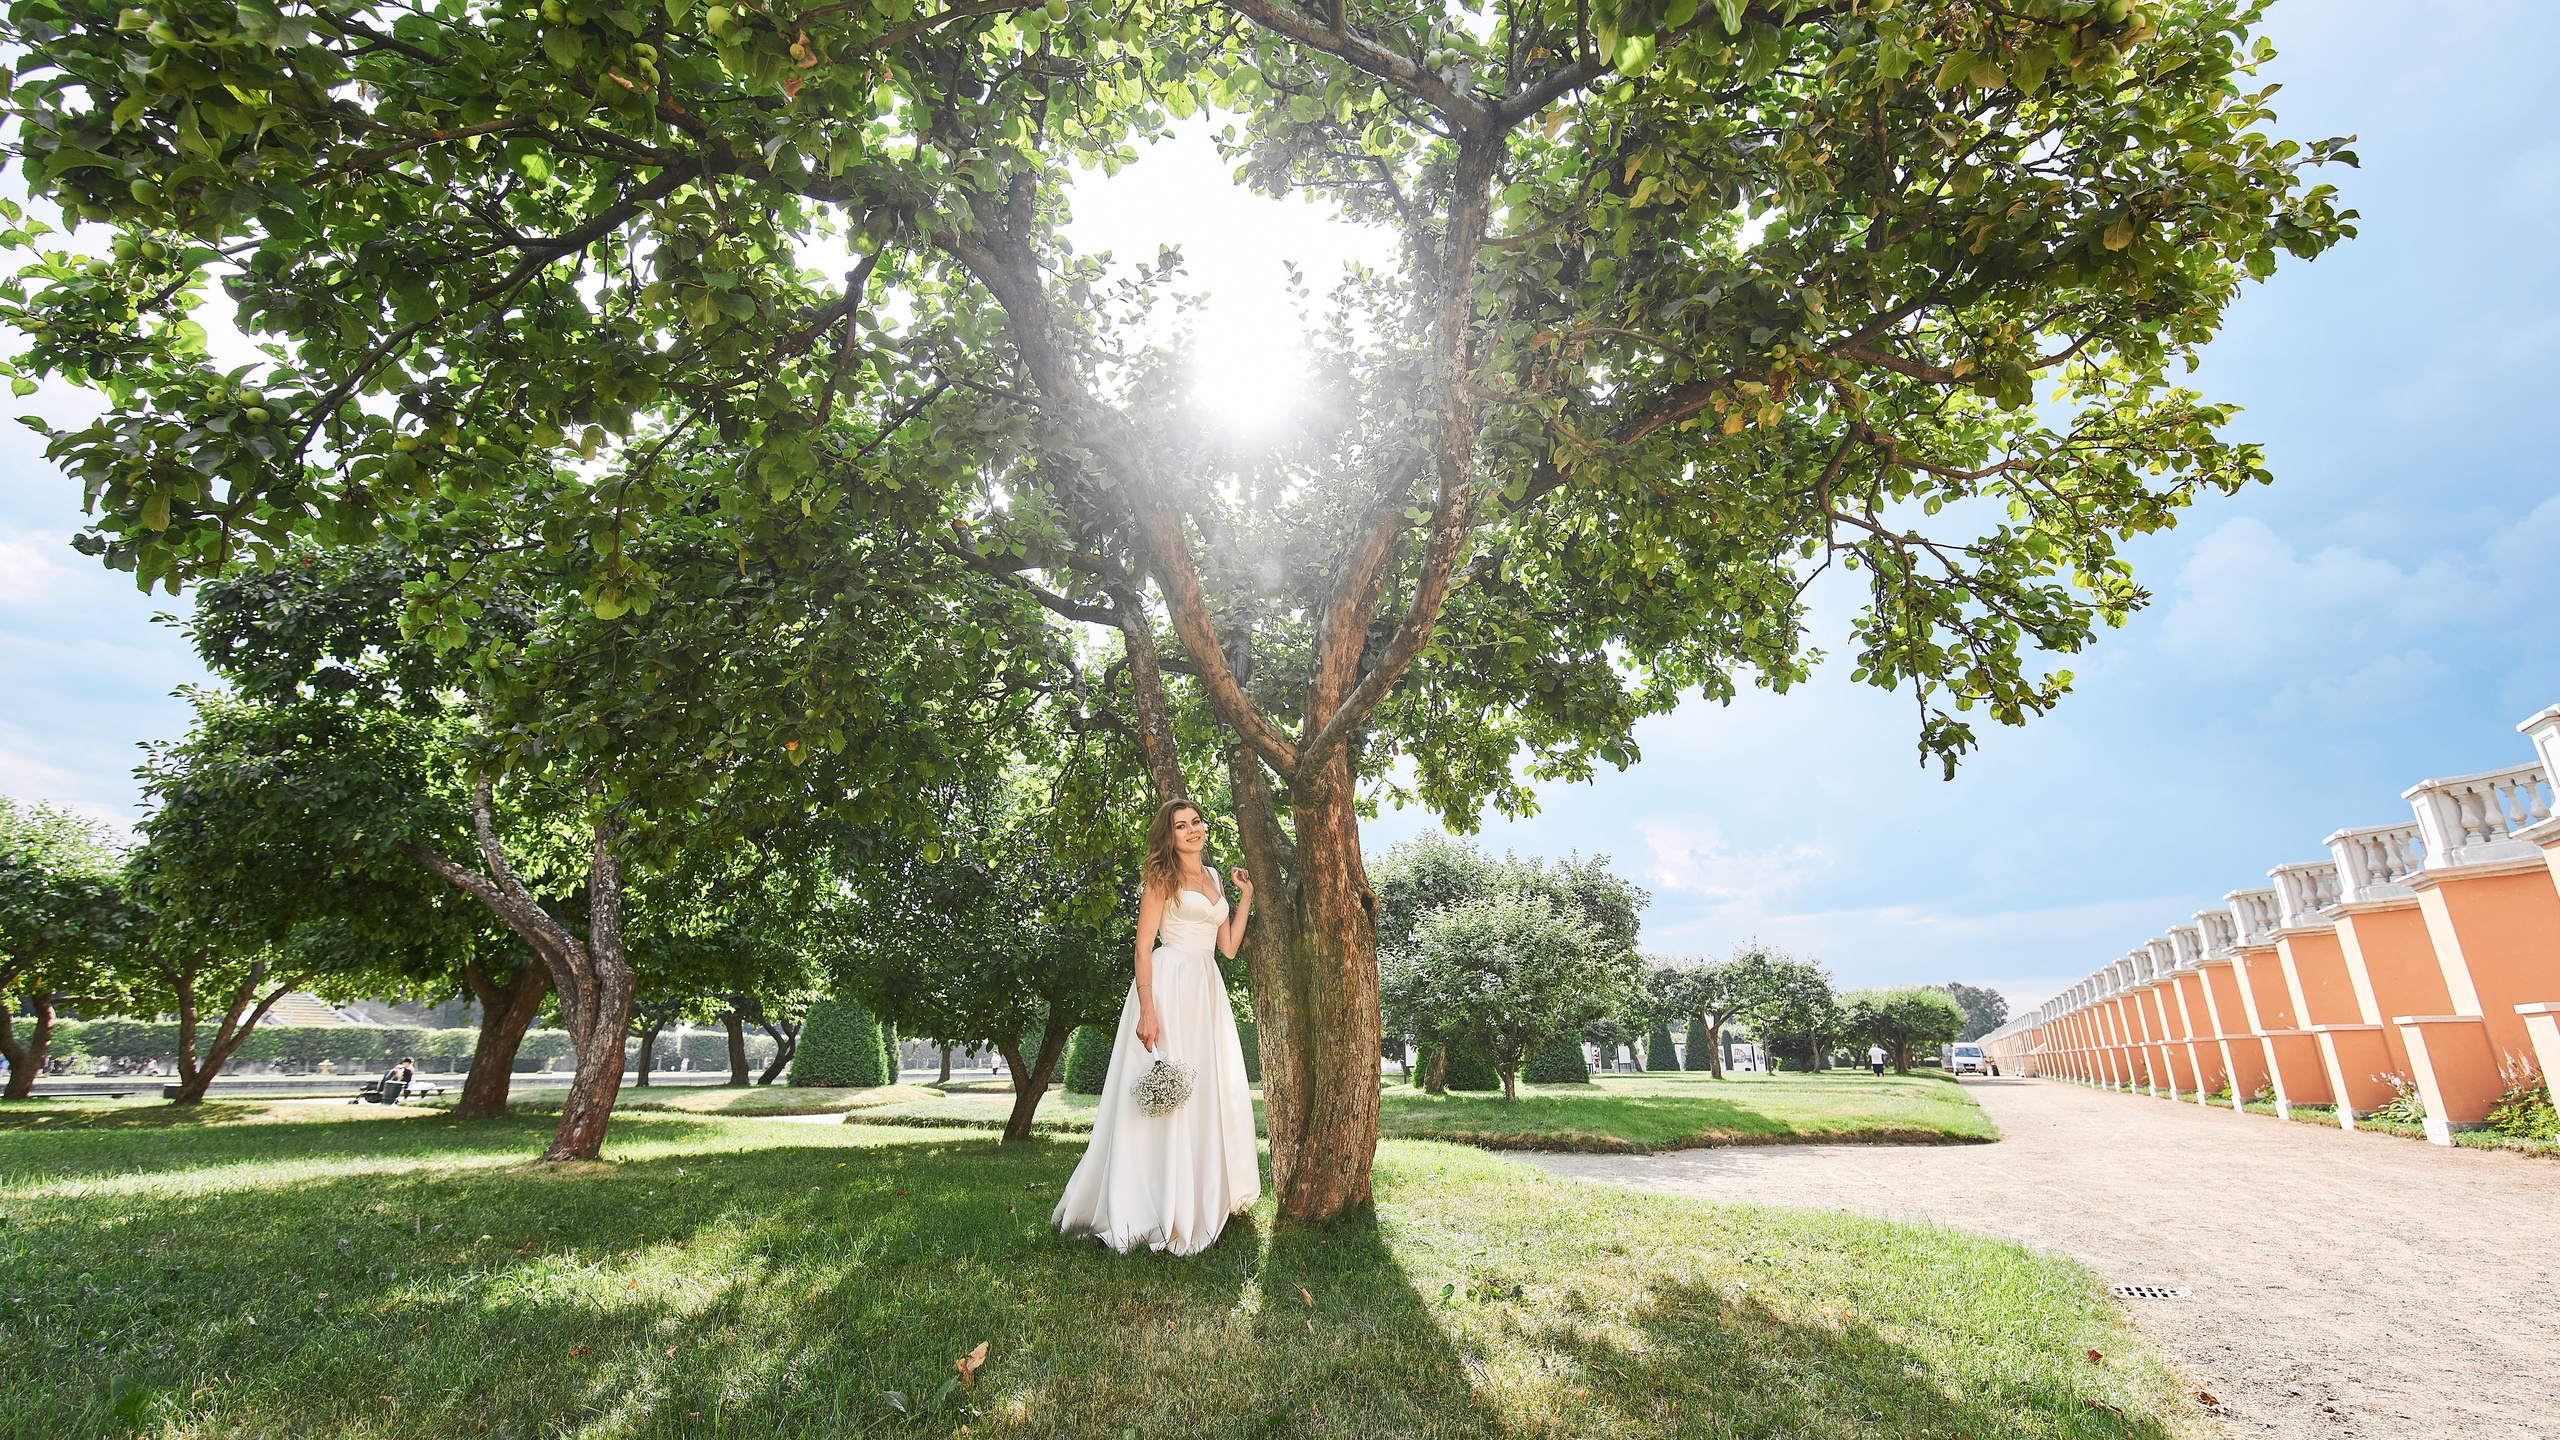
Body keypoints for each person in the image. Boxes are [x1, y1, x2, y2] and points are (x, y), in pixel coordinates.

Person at [1054, 798, 1260, 1256]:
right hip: (1166, 986)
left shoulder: (1211, 878)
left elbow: (1227, 947)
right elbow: (1143, 948)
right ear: (1168, 836)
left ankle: (1199, 1197)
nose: (1192, 831)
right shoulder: (1160, 880)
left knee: (1202, 1091)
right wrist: (1148, 1010)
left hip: (1205, 988)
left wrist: (1244, 896)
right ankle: (1150, 1202)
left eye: (1196, 822)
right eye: (1181, 826)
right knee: (1160, 1092)